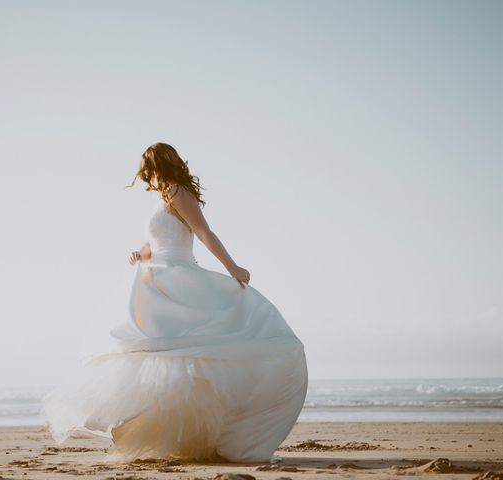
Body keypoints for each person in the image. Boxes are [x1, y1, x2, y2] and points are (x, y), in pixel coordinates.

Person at [40, 142, 308, 463]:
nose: (143, 180)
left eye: (145, 172)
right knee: (160, 356)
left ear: (157, 166)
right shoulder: (162, 198)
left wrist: (232, 267)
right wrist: (140, 253)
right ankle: (173, 433)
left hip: (180, 278)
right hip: (156, 279)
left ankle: (220, 433)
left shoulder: (178, 191)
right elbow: (156, 242)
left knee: (190, 352)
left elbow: (203, 232)